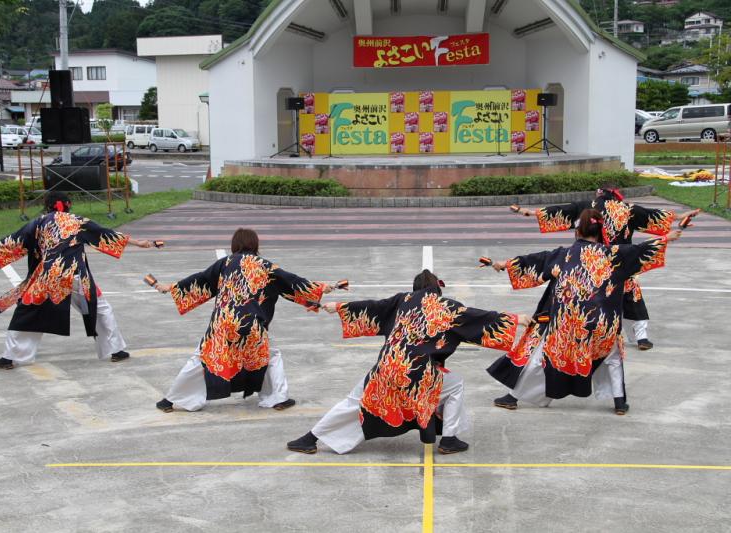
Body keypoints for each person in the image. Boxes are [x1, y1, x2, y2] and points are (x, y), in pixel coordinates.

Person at [287, 270, 530, 455]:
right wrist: (517, 319)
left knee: (355, 401)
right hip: (419, 373)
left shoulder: (401, 300)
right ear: (437, 289)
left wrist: (336, 307)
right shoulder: (447, 307)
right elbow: (479, 318)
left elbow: (372, 307)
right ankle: (448, 439)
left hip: (386, 368)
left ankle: (310, 438)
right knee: (455, 385)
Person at [487, 209, 682, 415]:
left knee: (542, 355)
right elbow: (641, 250)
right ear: (599, 232)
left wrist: (504, 264)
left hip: (566, 327)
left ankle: (512, 396)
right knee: (613, 355)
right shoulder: (614, 254)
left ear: (577, 231)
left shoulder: (562, 255)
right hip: (602, 326)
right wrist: (667, 238)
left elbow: (533, 261)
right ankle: (619, 402)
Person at [0, 191, 158, 369]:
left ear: (47, 206)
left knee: (28, 313)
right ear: (68, 204)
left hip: (48, 278)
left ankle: (10, 358)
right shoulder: (78, 221)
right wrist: (138, 243)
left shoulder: (38, 223)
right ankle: (116, 350)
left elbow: (12, 241)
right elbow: (106, 234)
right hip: (76, 276)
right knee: (100, 309)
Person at [153, 228, 332, 413]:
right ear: (255, 244)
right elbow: (292, 282)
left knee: (202, 358)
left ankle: (170, 400)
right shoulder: (265, 266)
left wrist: (171, 288)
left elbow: (200, 280)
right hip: (250, 324)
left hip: (223, 323)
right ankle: (278, 398)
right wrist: (323, 288)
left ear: (234, 244)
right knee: (271, 356)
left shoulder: (225, 263)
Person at [512, 183, 698, 350]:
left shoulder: (587, 207)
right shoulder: (627, 209)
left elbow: (560, 212)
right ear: (616, 195)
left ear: (598, 194)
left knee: (586, 298)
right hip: (622, 259)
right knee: (632, 295)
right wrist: (681, 216)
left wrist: (529, 212)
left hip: (591, 262)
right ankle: (641, 337)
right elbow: (653, 216)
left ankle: (584, 332)